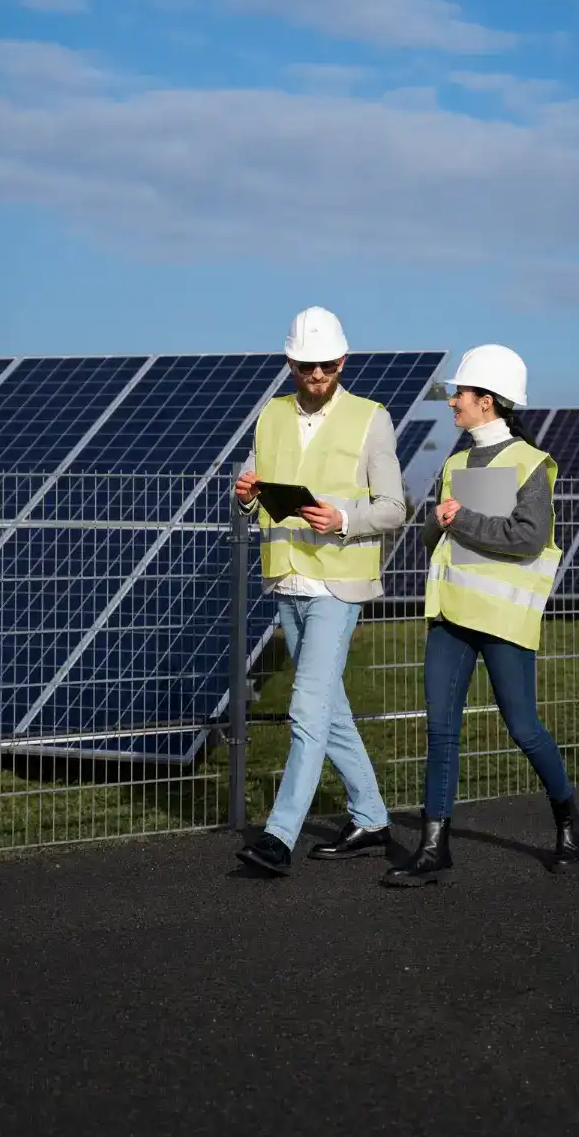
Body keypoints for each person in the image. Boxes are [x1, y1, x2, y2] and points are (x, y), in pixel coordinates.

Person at [383, 344, 579, 888]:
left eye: (462, 393)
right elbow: (442, 539)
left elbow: (527, 539)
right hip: (450, 615)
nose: (453, 401)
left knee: (524, 728)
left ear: (489, 402)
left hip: (502, 619)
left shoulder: (529, 463)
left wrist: (462, 518)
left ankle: (570, 820)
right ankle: (434, 846)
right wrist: (437, 522)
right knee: (442, 730)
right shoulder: (454, 463)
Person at [234, 307, 409, 876]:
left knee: (305, 709)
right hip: (286, 576)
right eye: (307, 364)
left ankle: (278, 837)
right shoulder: (271, 416)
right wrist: (243, 495)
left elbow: (393, 508)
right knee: (329, 709)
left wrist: (342, 519)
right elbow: (255, 486)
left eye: (327, 364)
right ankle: (373, 817)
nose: (317, 373)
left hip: (338, 582)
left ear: (342, 360)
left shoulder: (371, 418)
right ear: (291, 362)